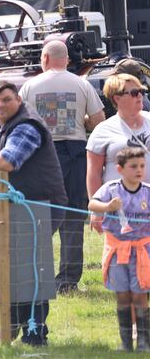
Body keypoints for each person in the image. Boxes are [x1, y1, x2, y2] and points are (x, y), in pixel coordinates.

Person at [0, 80, 68, 346]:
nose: (0, 106)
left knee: (30, 270)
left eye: (6, 100)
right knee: (12, 271)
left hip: (33, 208)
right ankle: (11, 326)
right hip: (12, 211)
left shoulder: (26, 126)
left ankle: (35, 334)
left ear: (18, 100)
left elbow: (9, 160)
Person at [19, 40, 105, 293]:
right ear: (66, 59)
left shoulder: (30, 86)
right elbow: (99, 122)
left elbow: (21, 123)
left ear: (44, 58)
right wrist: (81, 120)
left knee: (39, 216)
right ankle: (67, 281)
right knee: (73, 217)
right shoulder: (81, 83)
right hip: (75, 153)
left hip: (41, 155)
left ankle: (38, 277)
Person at [89, 147, 150, 352]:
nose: (139, 170)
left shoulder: (147, 192)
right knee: (122, 295)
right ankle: (125, 344)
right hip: (117, 251)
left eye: (142, 166)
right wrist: (107, 208)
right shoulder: (111, 189)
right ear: (120, 169)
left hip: (142, 252)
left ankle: (143, 342)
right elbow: (92, 203)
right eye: (133, 166)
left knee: (140, 295)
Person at [87, 73, 150, 226]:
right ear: (117, 98)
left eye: (142, 91)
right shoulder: (103, 130)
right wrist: (97, 209)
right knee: (122, 249)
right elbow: (93, 173)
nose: (140, 96)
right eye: (134, 93)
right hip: (120, 210)